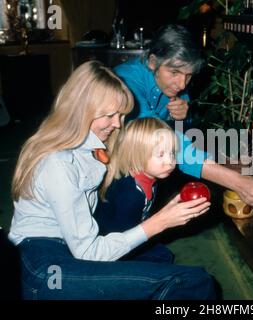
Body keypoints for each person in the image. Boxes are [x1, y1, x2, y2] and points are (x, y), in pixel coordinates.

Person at [8, 61, 215, 300]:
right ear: (81, 110)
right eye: (109, 115)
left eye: (120, 115)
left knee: (160, 257)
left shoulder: (93, 144)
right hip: (46, 267)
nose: (117, 123)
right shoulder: (58, 163)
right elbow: (88, 251)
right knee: (192, 282)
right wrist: (160, 222)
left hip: (70, 245)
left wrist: (178, 119)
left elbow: (148, 140)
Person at [115, 24, 253, 207]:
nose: (182, 84)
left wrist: (182, 118)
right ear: (153, 62)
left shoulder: (176, 86)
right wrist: (236, 181)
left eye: (188, 75)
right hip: (116, 172)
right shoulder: (126, 81)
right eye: (174, 72)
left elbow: (184, 133)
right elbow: (159, 139)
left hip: (148, 170)